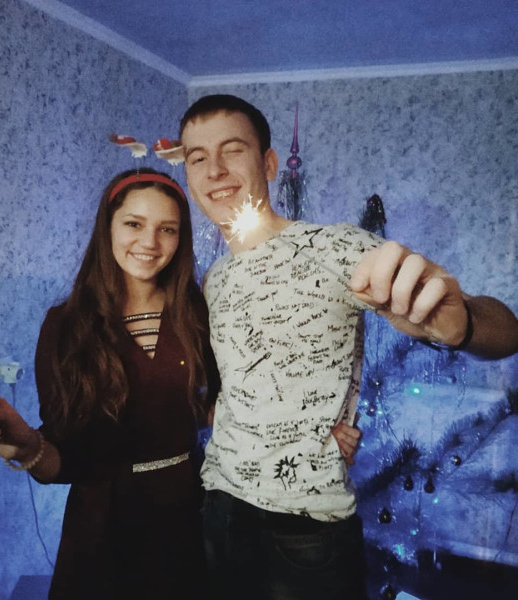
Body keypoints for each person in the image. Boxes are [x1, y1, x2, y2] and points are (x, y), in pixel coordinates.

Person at [179, 94, 518, 600]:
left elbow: (506, 332)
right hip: (219, 509)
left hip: (305, 530)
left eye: (232, 150)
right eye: (198, 157)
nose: (215, 170)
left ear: (268, 164)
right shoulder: (216, 279)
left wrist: (459, 325)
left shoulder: (335, 246)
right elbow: (240, 387)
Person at [0, 167, 359, 599]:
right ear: (108, 227)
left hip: (191, 521)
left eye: (167, 229)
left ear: (180, 238)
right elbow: (65, 458)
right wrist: (26, 446)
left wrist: (310, 432)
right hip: (101, 535)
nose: (149, 242)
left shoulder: (198, 312)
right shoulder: (66, 327)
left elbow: (237, 400)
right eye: (134, 224)